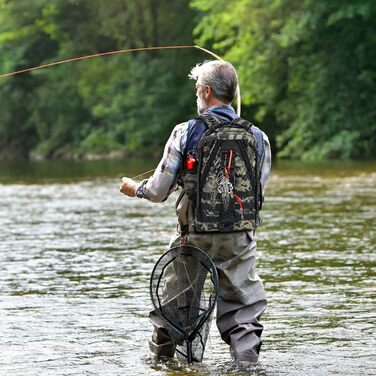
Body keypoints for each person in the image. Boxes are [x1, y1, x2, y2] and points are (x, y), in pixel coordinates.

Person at [120, 60, 271, 362]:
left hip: (192, 237)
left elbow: (157, 191)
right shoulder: (258, 137)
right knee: (244, 312)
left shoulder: (184, 132)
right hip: (239, 238)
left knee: (175, 307)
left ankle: (161, 363)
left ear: (206, 91)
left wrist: (133, 188)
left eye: (197, 88)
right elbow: (258, 191)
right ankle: (245, 367)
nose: (196, 93)